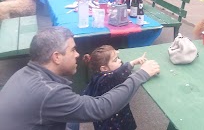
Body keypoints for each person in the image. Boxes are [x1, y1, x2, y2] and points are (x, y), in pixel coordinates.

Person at [0, 27, 160, 130]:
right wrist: (141, 74)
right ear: (56, 57)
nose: (77, 54)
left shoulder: (26, 73)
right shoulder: (50, 92)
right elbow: (101, 108)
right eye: (73, 50)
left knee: (72, 123)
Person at [82, 45, 148, 130]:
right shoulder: (106, 79)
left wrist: (134, 62)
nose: (120, 61)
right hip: (113, 120)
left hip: (106, 115)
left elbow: (118, 72)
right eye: (115, 60)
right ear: (104, 68)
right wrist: (143, 71)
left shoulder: (98, 75)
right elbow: (119, 73)